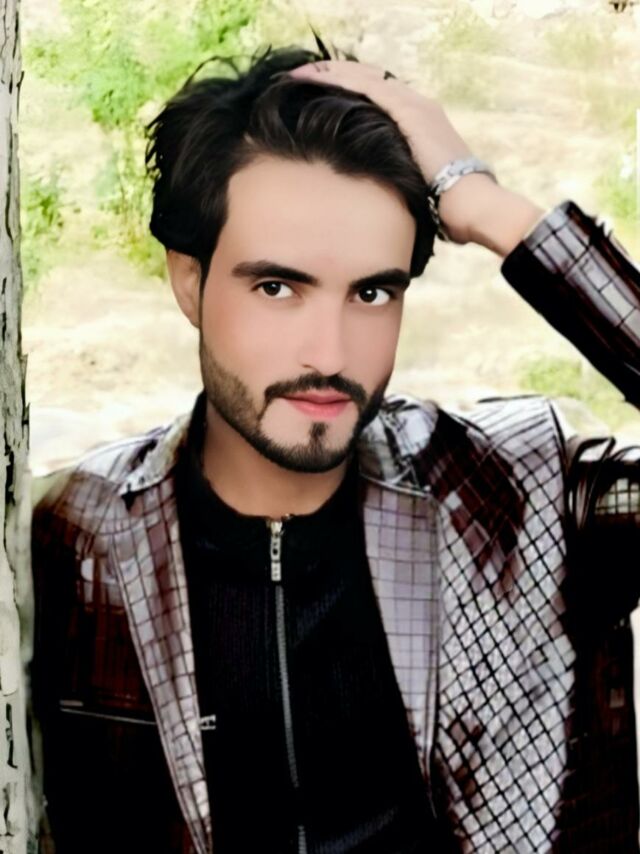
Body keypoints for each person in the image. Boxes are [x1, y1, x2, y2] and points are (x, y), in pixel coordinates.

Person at [31, 40, 640, 854]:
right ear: (189, 280)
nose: (329, 352)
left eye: (372, 292)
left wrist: (491, 209)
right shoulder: (80, 533)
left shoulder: (520, 501)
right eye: (277, 287)